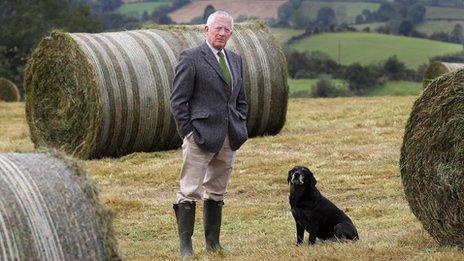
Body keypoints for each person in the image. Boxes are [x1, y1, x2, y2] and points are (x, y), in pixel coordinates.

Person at [170, 10, 248, 258]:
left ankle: (213, 244)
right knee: (189, 190)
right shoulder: (191, 58)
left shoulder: (235, 59)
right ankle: (186, 247)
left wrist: (240, 123)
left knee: (217, 191)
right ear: (206, 30)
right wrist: (188, 133)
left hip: (229, 136)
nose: (222, 33)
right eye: (218, 28)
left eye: (227, 30)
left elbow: (240, 100)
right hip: (200, 136)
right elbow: (178, 101)